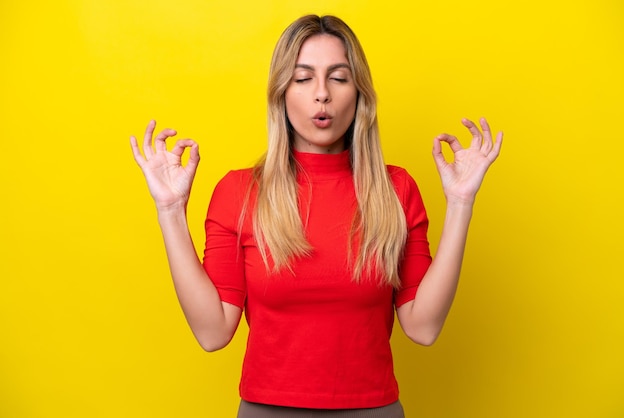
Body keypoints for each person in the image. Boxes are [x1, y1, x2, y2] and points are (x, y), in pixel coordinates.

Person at [130, 14, 502, 418]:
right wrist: (169, 209)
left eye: (338, 78)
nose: (321, 94)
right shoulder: (238, 192)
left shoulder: (396, 190)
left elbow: (423, 327)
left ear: (359, 94)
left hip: (373, 409)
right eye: (303, 78)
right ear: (281, 93)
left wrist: (461, 202)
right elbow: (212, 331)